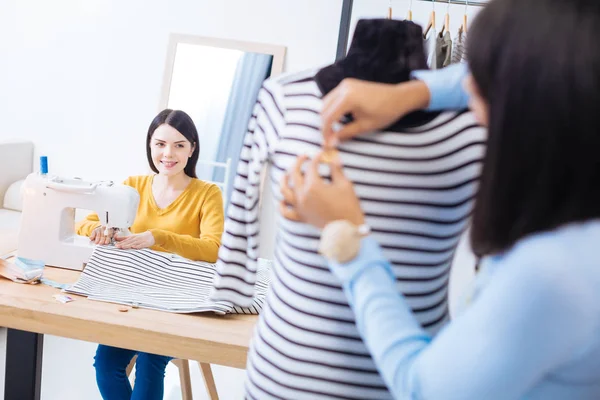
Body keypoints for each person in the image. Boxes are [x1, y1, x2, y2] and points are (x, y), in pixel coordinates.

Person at [280, 0, 600, 399]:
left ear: (530, 103)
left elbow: (423, 389)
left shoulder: (550, 275)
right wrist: (413, 93)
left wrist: (347, 237)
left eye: (482, 79)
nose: (466, 88)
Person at [76, 109, 224, 400]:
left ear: (192, 149)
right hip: (135, 295)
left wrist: (159, 236)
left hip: (180, 298)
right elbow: (84, 221)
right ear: (150, 145)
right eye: (160, 144)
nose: (168, 153)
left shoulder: (208, 193)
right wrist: (100, 229)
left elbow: (214, 249)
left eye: (179, 145)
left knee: (150, 360)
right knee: (105, 364)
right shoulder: (133, 185)